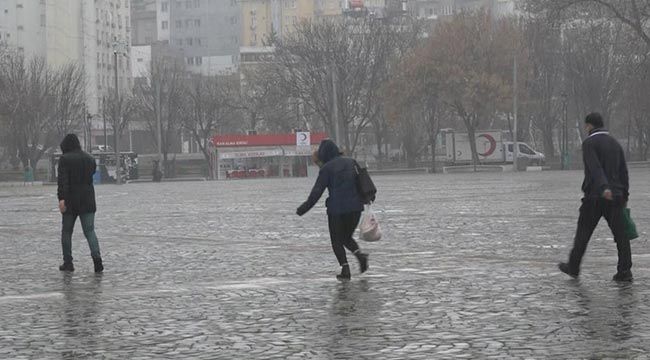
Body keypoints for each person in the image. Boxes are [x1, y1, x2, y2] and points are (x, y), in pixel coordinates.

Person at [558, 113, 631, 282]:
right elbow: (623, 171)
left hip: (595, 197)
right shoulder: (615, 143)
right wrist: (624, 194)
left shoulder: (589, 143)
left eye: (586, 126)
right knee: (621, 236)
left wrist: (603, 187)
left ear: (589, 126)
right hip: (617, 197)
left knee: (583, 233)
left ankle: (573, 267)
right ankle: (625, 271)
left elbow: (595, 167)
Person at [297, 140, 369, 281]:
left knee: (337, 240)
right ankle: (360, 256)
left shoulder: (327, 169)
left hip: (337, 210)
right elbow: (363, 180)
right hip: (355, 208)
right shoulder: (351, 162)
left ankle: (345, 268)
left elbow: (317, 192)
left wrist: (304, 208)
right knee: (346, 237)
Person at [57, 134, 103, 273]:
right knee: (90, 231)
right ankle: (97, 261)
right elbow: (92, 172)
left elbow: (63, 181)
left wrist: (61, 198)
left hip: (70, 201)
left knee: (67, 231)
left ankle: (68, 263)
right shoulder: (90, 158)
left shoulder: (64, 159)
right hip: (88, 200)